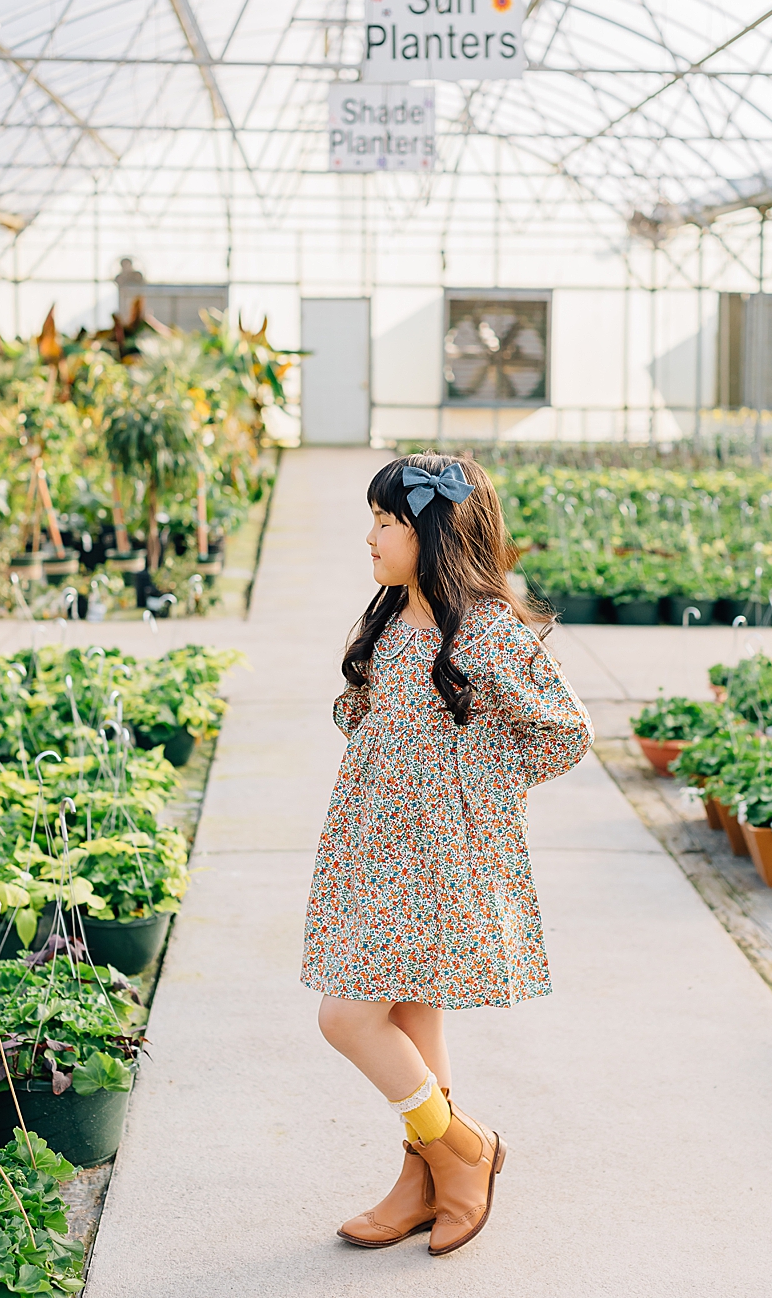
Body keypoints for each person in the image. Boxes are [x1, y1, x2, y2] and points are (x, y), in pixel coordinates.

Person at [301, 453, 593, 1257]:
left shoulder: (491, 631)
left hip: (437, 859)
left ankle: (465, 1148)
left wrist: (475, 785)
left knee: (347, 1016)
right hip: (373, 850)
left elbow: (565, 729)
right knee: (405, 1007)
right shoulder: (392, 621)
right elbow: (363, 714)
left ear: (433, 534)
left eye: (386, 523)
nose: (370, 537)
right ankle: (428, 1174)